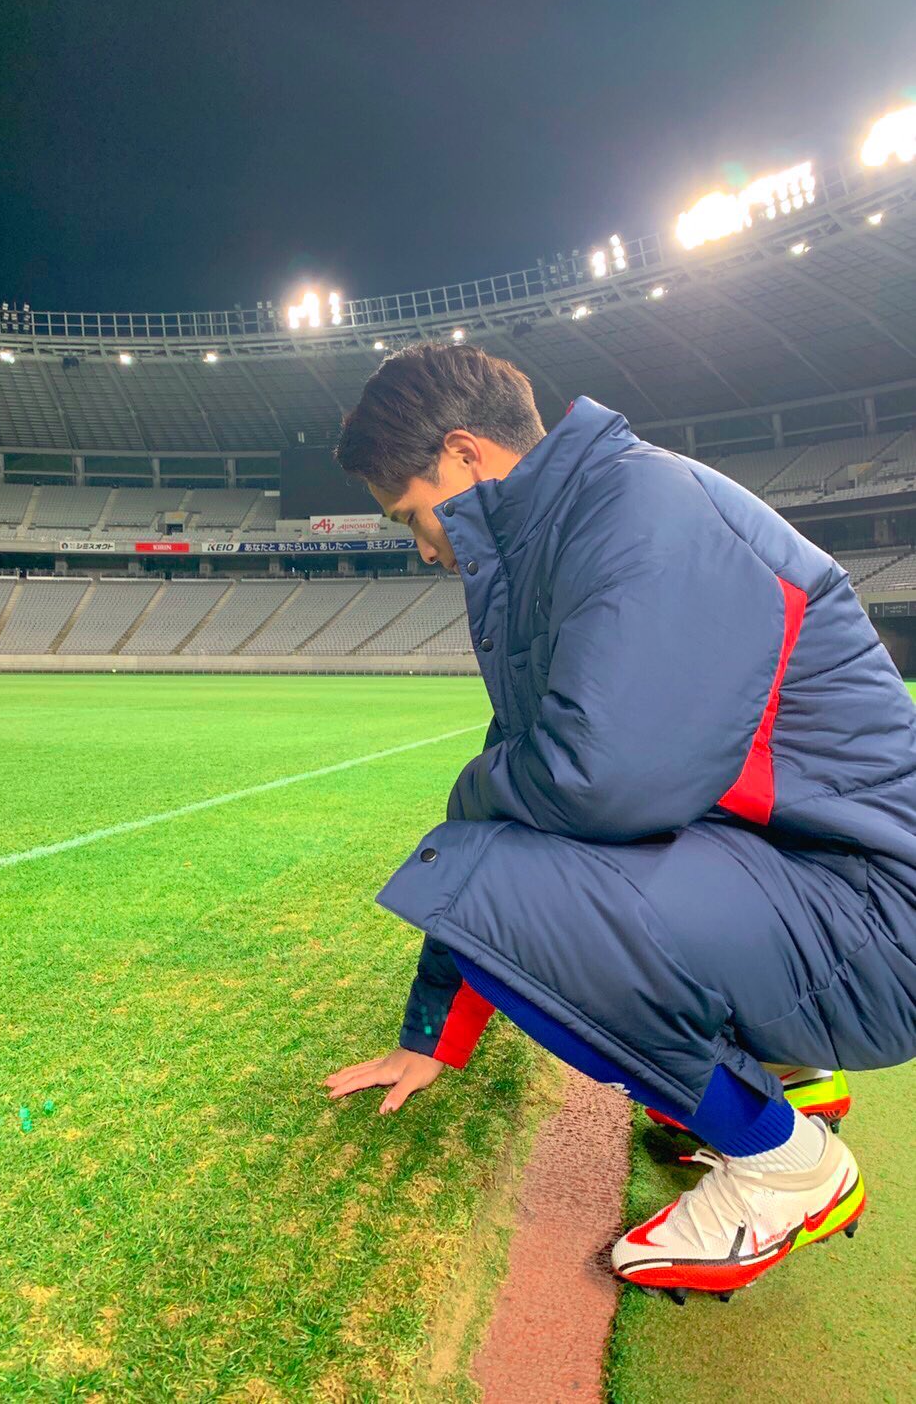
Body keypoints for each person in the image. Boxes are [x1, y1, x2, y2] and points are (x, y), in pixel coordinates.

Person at [324, 342, 916, 1302]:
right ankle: (795, 1073)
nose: (425, 549)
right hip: (814, 884)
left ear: (466, 455)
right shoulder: (583, 525)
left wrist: (472, 808)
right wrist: (432, 1030)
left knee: (507, 876)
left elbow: (604, 785)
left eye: (412, 516)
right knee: (495, 859)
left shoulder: (645, 515)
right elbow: (520, 810)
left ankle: (787, 1167)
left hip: (880, 925)